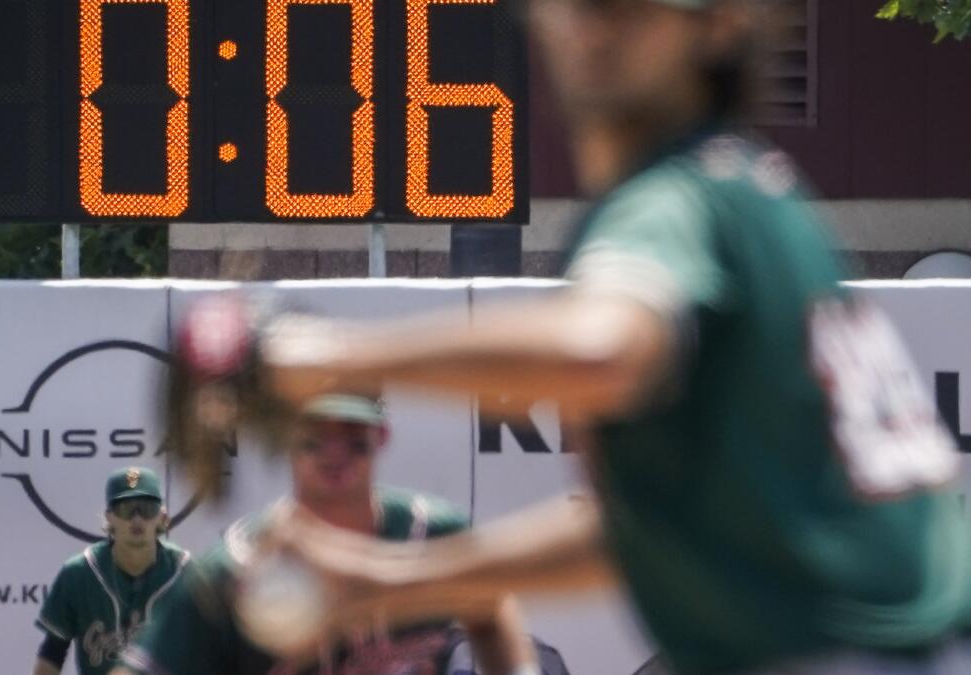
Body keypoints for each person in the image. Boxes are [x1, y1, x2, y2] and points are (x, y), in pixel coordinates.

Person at [203, 1, 971, 673]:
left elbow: (605, 352)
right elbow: (630, 536)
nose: (593, 25)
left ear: (720, 24)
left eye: (632, 6)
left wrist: (308, 355)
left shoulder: (675, 199)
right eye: (578, 3)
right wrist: (389, 581)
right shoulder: (757, 201)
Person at [114, 394, 541, 675]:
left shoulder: (429, 533)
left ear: (381, 435)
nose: (334, 453)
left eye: (352, 437)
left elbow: (492, 608)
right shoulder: (236, 568)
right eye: (316, 437)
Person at [33, 467, 191, 675]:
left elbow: (211, 653)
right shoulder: (79, 573)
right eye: (126, 509)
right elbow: (53, 651)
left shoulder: (185, 574)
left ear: (162, 517)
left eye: (146, 509)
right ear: (109, 517)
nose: (137, 519)